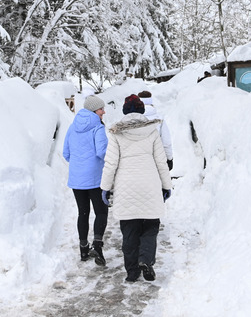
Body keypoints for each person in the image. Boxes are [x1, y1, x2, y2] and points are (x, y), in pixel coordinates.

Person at [100, 94, 173, 282]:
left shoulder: (117, 133)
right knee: (150, 226)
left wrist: (105, 188)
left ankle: (132, 271)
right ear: (141, 111)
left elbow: (110, 163)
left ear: (125, 112)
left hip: (126, 186)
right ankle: (146, 260)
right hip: (150, 184)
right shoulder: (152, 131)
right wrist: (166, 185)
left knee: (130, 230)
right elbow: (161, 162)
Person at [62, 94, 109, 265]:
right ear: (94, 110)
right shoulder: (98, 127)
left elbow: (66, 153)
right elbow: (102, 152)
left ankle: (83, 249)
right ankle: (97, 244)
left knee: (83, 213)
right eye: (101, 108)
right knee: (101, 212)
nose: (104, 111)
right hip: (95, 178)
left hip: (76, 178)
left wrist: (78, 165)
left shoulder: (72, 127)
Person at [137, 91, 173, 171]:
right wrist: (169, 158)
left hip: (138, 159)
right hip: (156, 158)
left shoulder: (133, 119)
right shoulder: (159, 119)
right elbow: (166, 141)